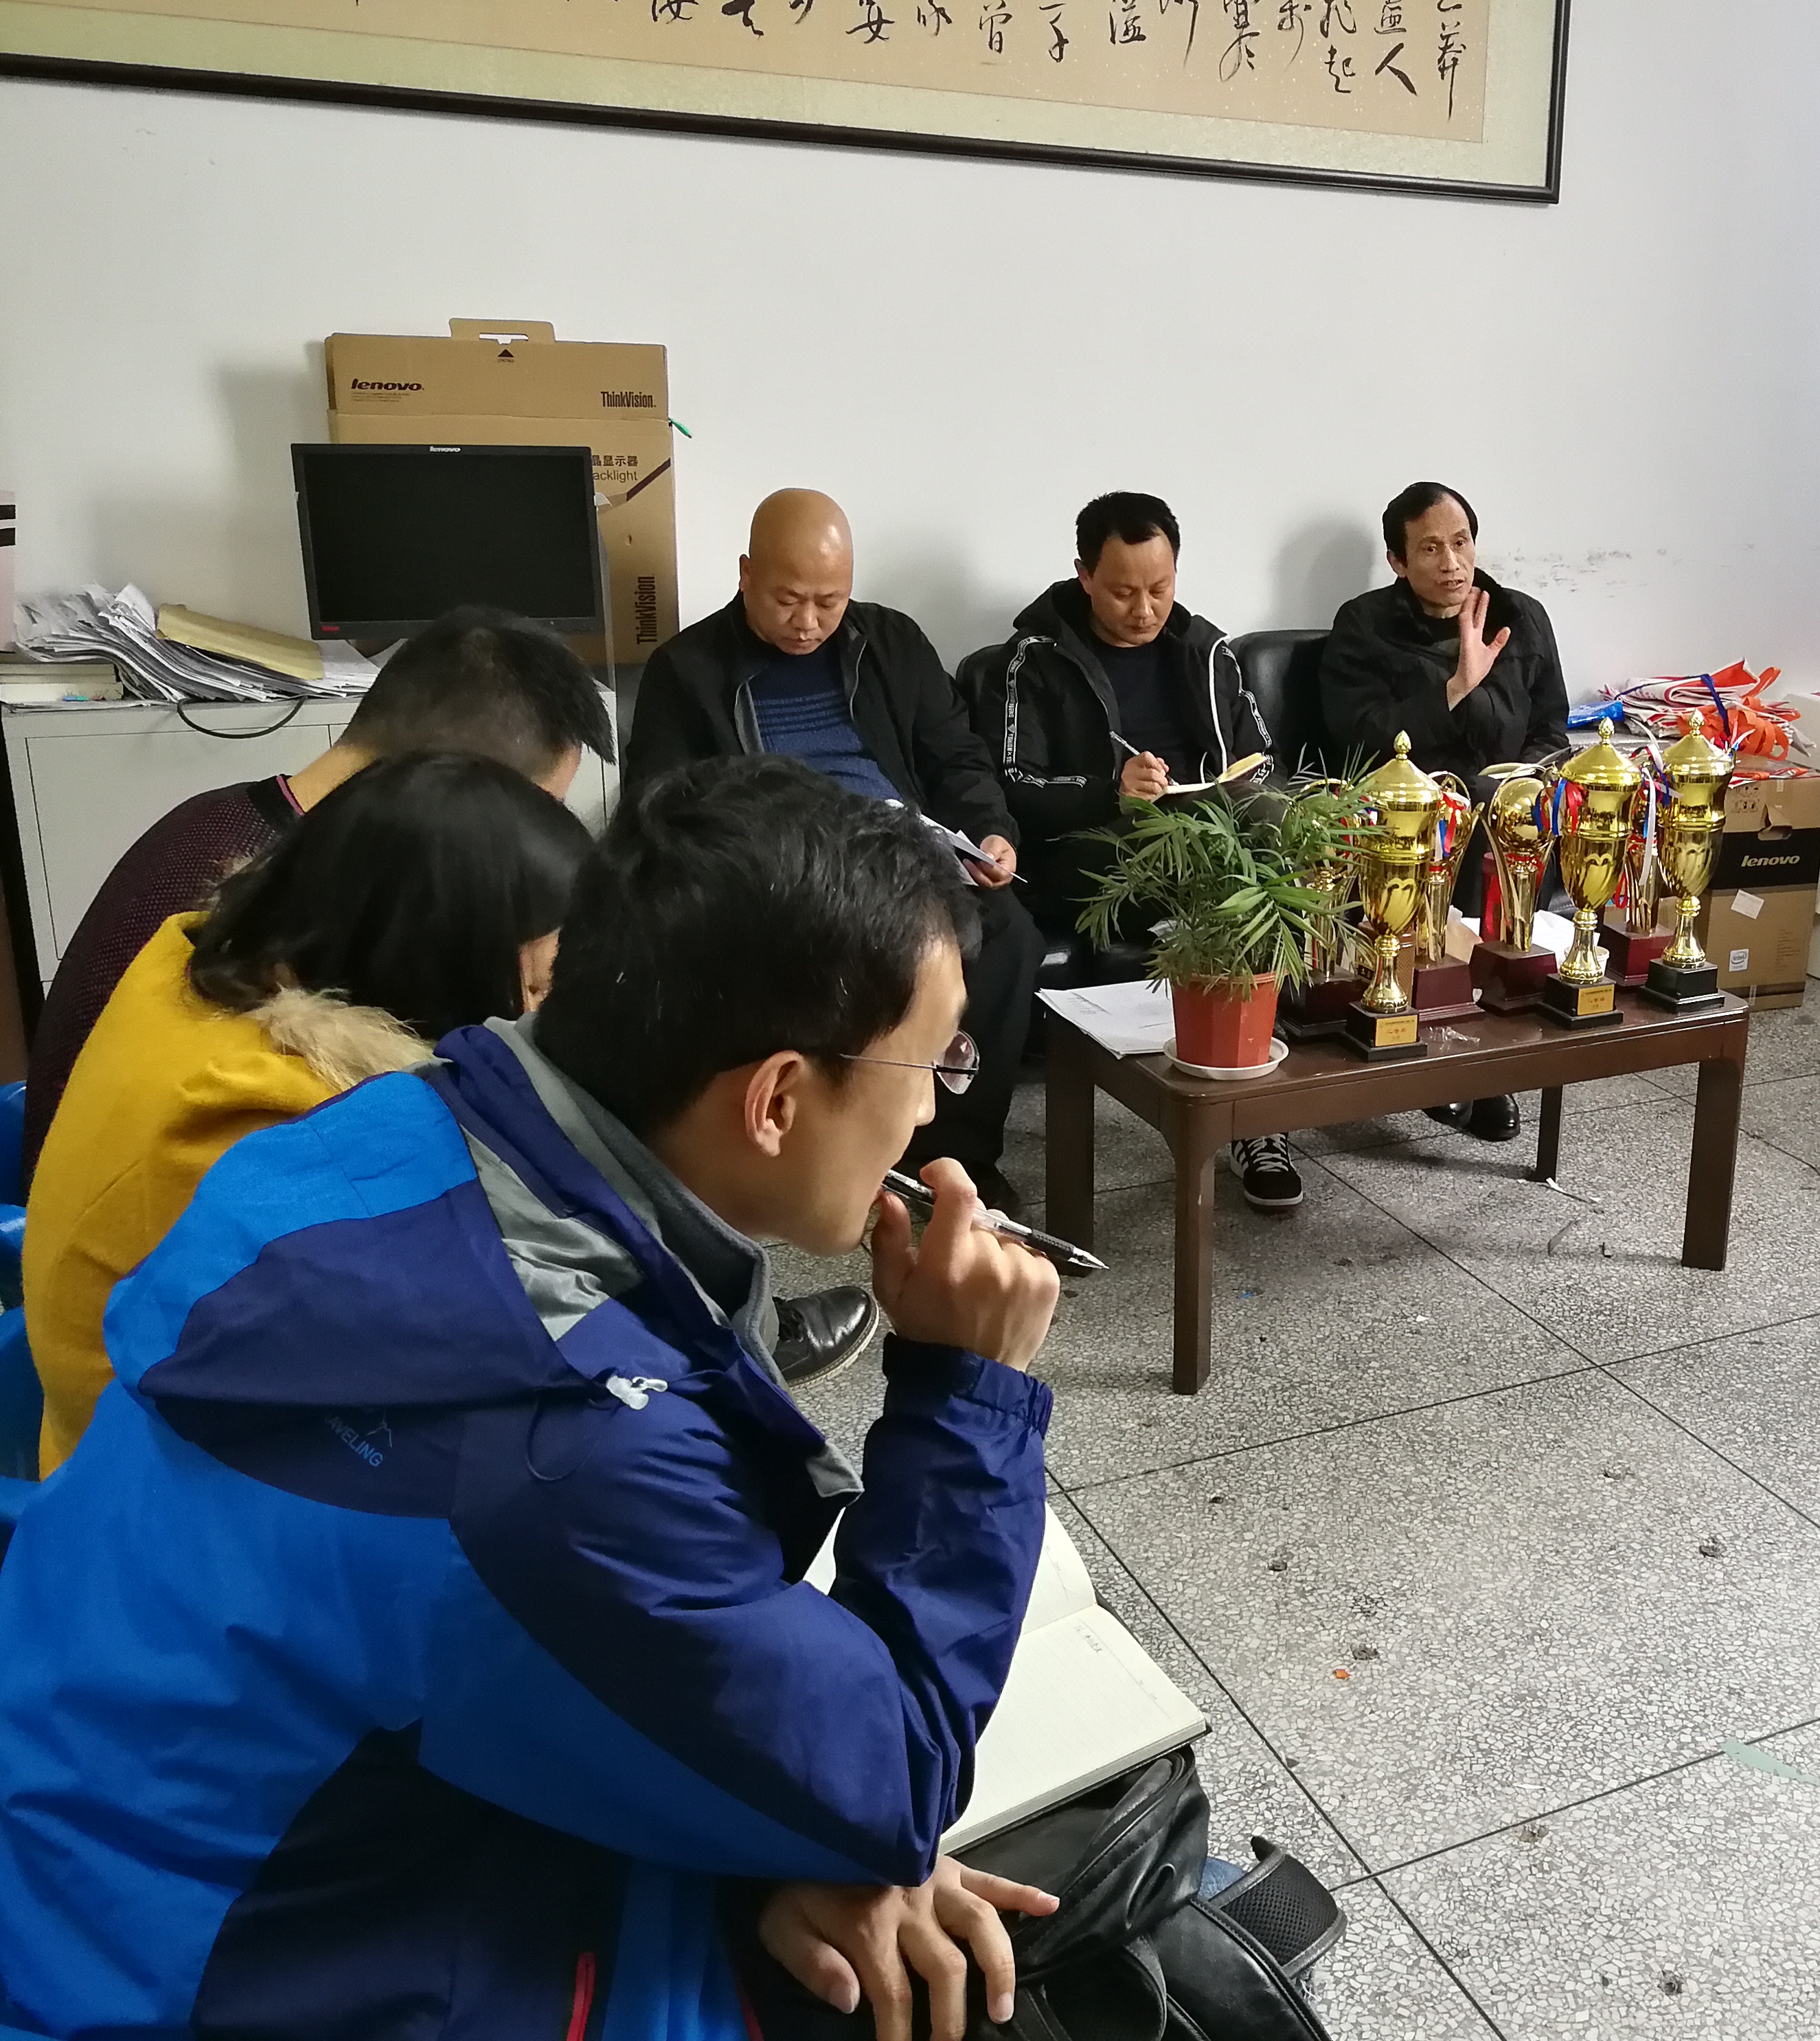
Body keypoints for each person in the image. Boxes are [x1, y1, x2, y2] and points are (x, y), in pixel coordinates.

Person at [0, 757, 1063, 2041]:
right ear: (778, 1098)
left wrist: (764, 1833)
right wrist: (966, 1388)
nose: (932, 1106)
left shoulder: (378, 1126)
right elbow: (891, 1777)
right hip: (208, 1983)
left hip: (99, 1840)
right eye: (930, 1063)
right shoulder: (570, 1451)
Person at [14, 602, 876, 1388]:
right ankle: (707, 1337)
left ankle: (715, 1320)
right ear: (445, 805)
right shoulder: (283, 1119)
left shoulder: (251, 882)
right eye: (527, 812)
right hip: (155, 1413)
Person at [23, 753, 593, 1476]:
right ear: (446, 960)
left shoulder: (206, 962)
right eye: (538, 984)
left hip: (148, 1406)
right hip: (149, 1481)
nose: (545, 1009)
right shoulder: (273, 1122)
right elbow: (445, 1345)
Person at [630, 490, 1034, 1211]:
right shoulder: (686, 672)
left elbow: (957, 758)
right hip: (785, 874)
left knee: (1007, 932)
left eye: (829, 601)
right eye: (788, 600)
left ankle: (957, 1157)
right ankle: (844, 1154)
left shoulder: (892, 644)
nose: (809, 623)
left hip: (905, 857)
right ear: (746, 574)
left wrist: (989, 830)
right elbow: (660, 812)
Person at [970, 493, 1301, 1211]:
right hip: (1090, 851)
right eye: (1123, 591)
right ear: (1084, 575)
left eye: (1160, 587)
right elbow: (1009, 782)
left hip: (1209, 839)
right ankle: (1243, 1115)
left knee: (1269, 849)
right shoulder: (1033, 660)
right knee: (1223, 883)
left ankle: (1258, 1111)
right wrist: (1110, 792)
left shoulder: (1207, 650)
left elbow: (1262, 756)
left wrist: (1235, 789)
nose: (1144, 609)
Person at [1320, 481, 1571, 1148]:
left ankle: (1486, 1064)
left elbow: (1550, 729)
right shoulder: (1364, 625)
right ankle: (1443, 1055)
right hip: (1410, 818)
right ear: (1397, 562)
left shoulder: (1519, 616)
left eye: (1461, 543)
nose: (1452, 563)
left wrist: (1522, 785)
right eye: (1430, 549)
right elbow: (1357, 737)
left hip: (1500, 813)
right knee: (1455, 826)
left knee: (1501, 817)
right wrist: (1455, 688)